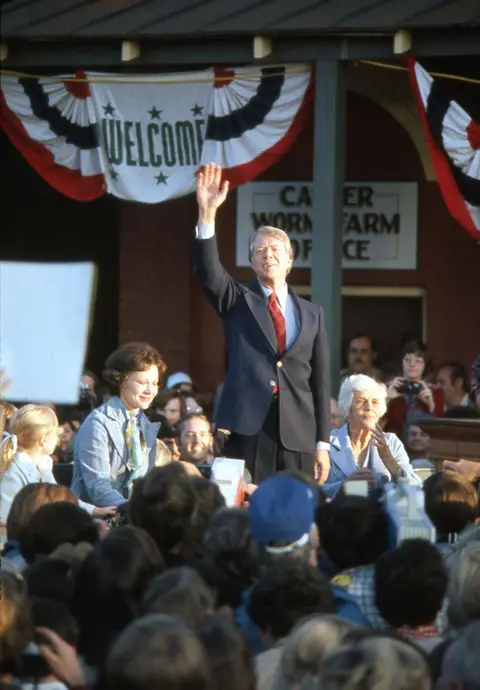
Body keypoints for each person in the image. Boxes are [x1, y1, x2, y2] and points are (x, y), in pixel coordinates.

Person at [193, 163, 330, 484]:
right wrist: (207, 214)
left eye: (274, 250)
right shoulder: (237, 299)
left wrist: (322, 443)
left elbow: (320, 383)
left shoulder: (313, 313)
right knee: (246, 514)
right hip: (246, 428)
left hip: (297, 434)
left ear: (290, 259)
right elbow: (209, 271)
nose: (267, 255)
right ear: (252, 261)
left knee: (295, 514)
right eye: (259, 251)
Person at [71, 342, 166, 508]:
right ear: (121, 381)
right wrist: (134, 512)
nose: (150, 390)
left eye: (154, 383)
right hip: (96, 522)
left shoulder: (144, 423)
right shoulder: (98, 422)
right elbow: (98, 488)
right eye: (143, 383)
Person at [0, 405, 114, 525]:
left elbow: (60, 498)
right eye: (54, 432)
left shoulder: (43, 466)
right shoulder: (13, 472)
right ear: (43, 440)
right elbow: (5, 520)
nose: (57, 436)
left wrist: (95, 510)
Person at [324, 375, 422, 497]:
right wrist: (343, 488)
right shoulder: (328, 443)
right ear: (347, 408)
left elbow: (415, 488)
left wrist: (390, 461)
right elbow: (314, 489)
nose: (369, 407)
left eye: (375, 402)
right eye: (361, 401)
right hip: (342, 513)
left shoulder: (391, 442)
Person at [386, 339, 444, 438]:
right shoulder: (387, 388)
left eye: (418, 361)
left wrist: (431, 406)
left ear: (425, 366)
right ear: (401, 363)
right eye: (407, 360)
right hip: (392, 443)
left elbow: (440, 431)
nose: (412, 364)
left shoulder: (436, 392)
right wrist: (387, 399)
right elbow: (377, 423)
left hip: (422, 444)